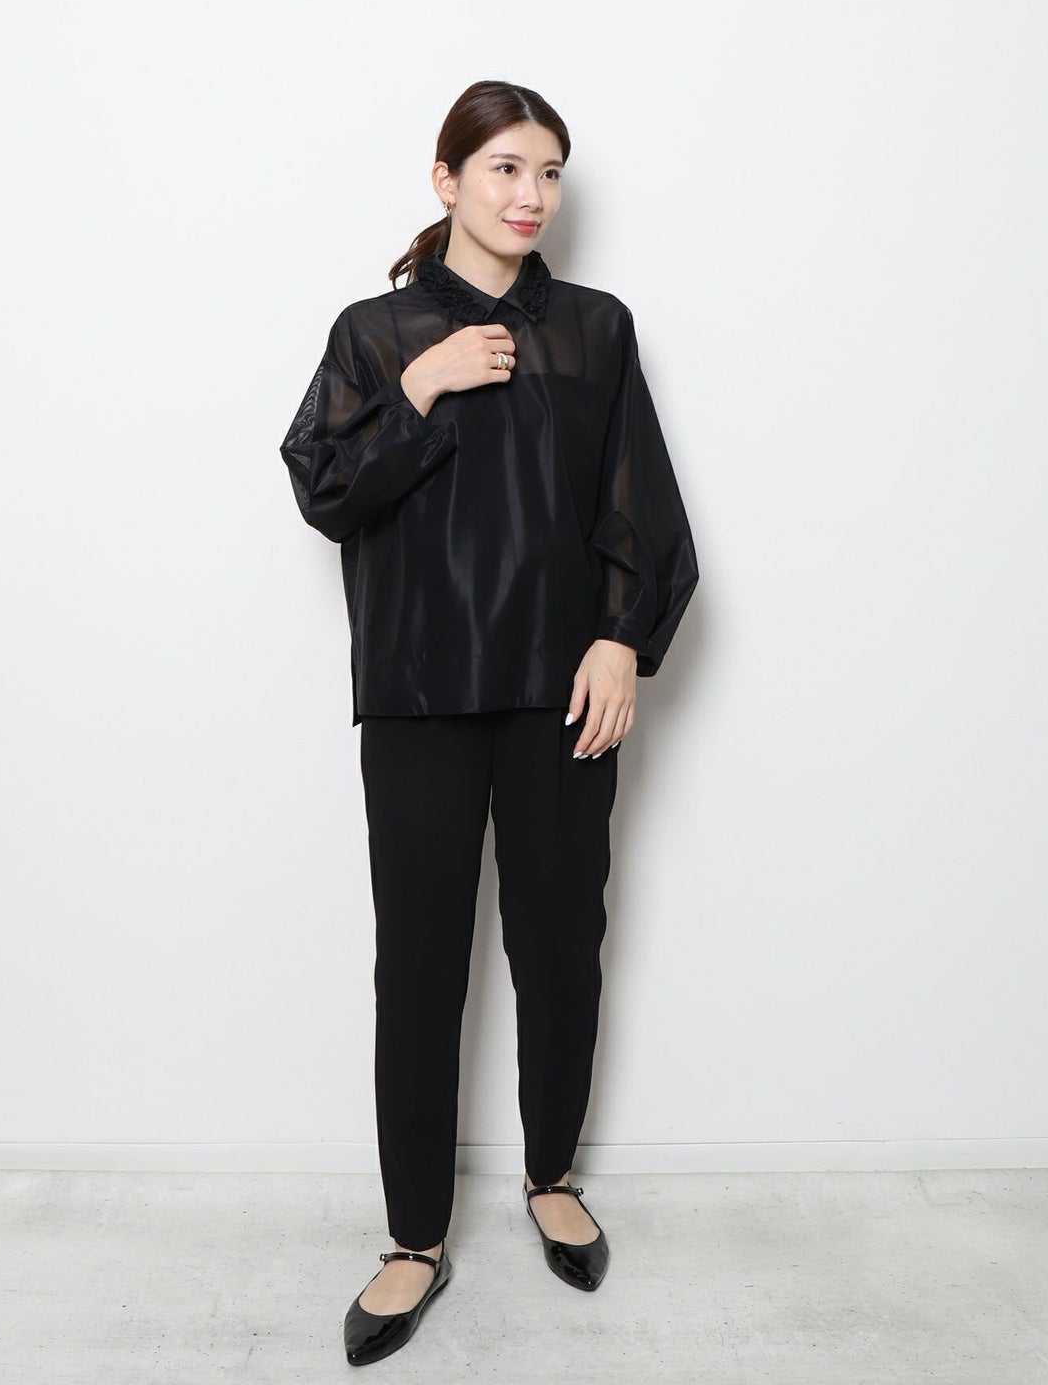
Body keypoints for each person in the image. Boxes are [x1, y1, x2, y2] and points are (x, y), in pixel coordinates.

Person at [279, 79, 699, 1367]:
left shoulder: (594, 328)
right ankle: (414, 1237)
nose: (531, 195)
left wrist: (622, 638)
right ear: (447, 178)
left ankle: (551, 1174)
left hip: (561, 693)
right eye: (506, 167)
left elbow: (640, 500)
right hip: (419, 690)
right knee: (417, 964)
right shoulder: (375, 333)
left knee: (563, 945)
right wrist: (423, 385)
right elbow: (327, 491)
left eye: (550, 172)